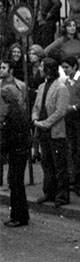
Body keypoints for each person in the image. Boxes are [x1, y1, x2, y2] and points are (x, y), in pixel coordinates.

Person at [32, 58, 70, 206]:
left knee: (59, 164)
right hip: (42, 131)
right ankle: (49, 192)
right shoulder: (42, 86)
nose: (40, 69)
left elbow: (60, 111)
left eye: (42, 67)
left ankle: (62, 195)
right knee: (46, 162)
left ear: (48, 69)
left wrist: (45, 123)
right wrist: (35, 119)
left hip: (55, 131)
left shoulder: (61, 88)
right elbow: (37, 106)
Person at [60, 56, 80, 197]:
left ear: (74, 66)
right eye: (63, 67)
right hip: (70, 120)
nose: (65, 70)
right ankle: (74, 180)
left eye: (67, 67)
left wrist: (74, 107)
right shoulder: (67, 81)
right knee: (72, 150)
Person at [1, 85, 30, 226]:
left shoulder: (12, 113)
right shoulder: (19, 110)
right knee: (17, 183)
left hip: (16, 151)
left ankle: (18, 216)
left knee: (15, 183)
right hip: (20, 151)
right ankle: (21, 215)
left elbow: (11, 135)